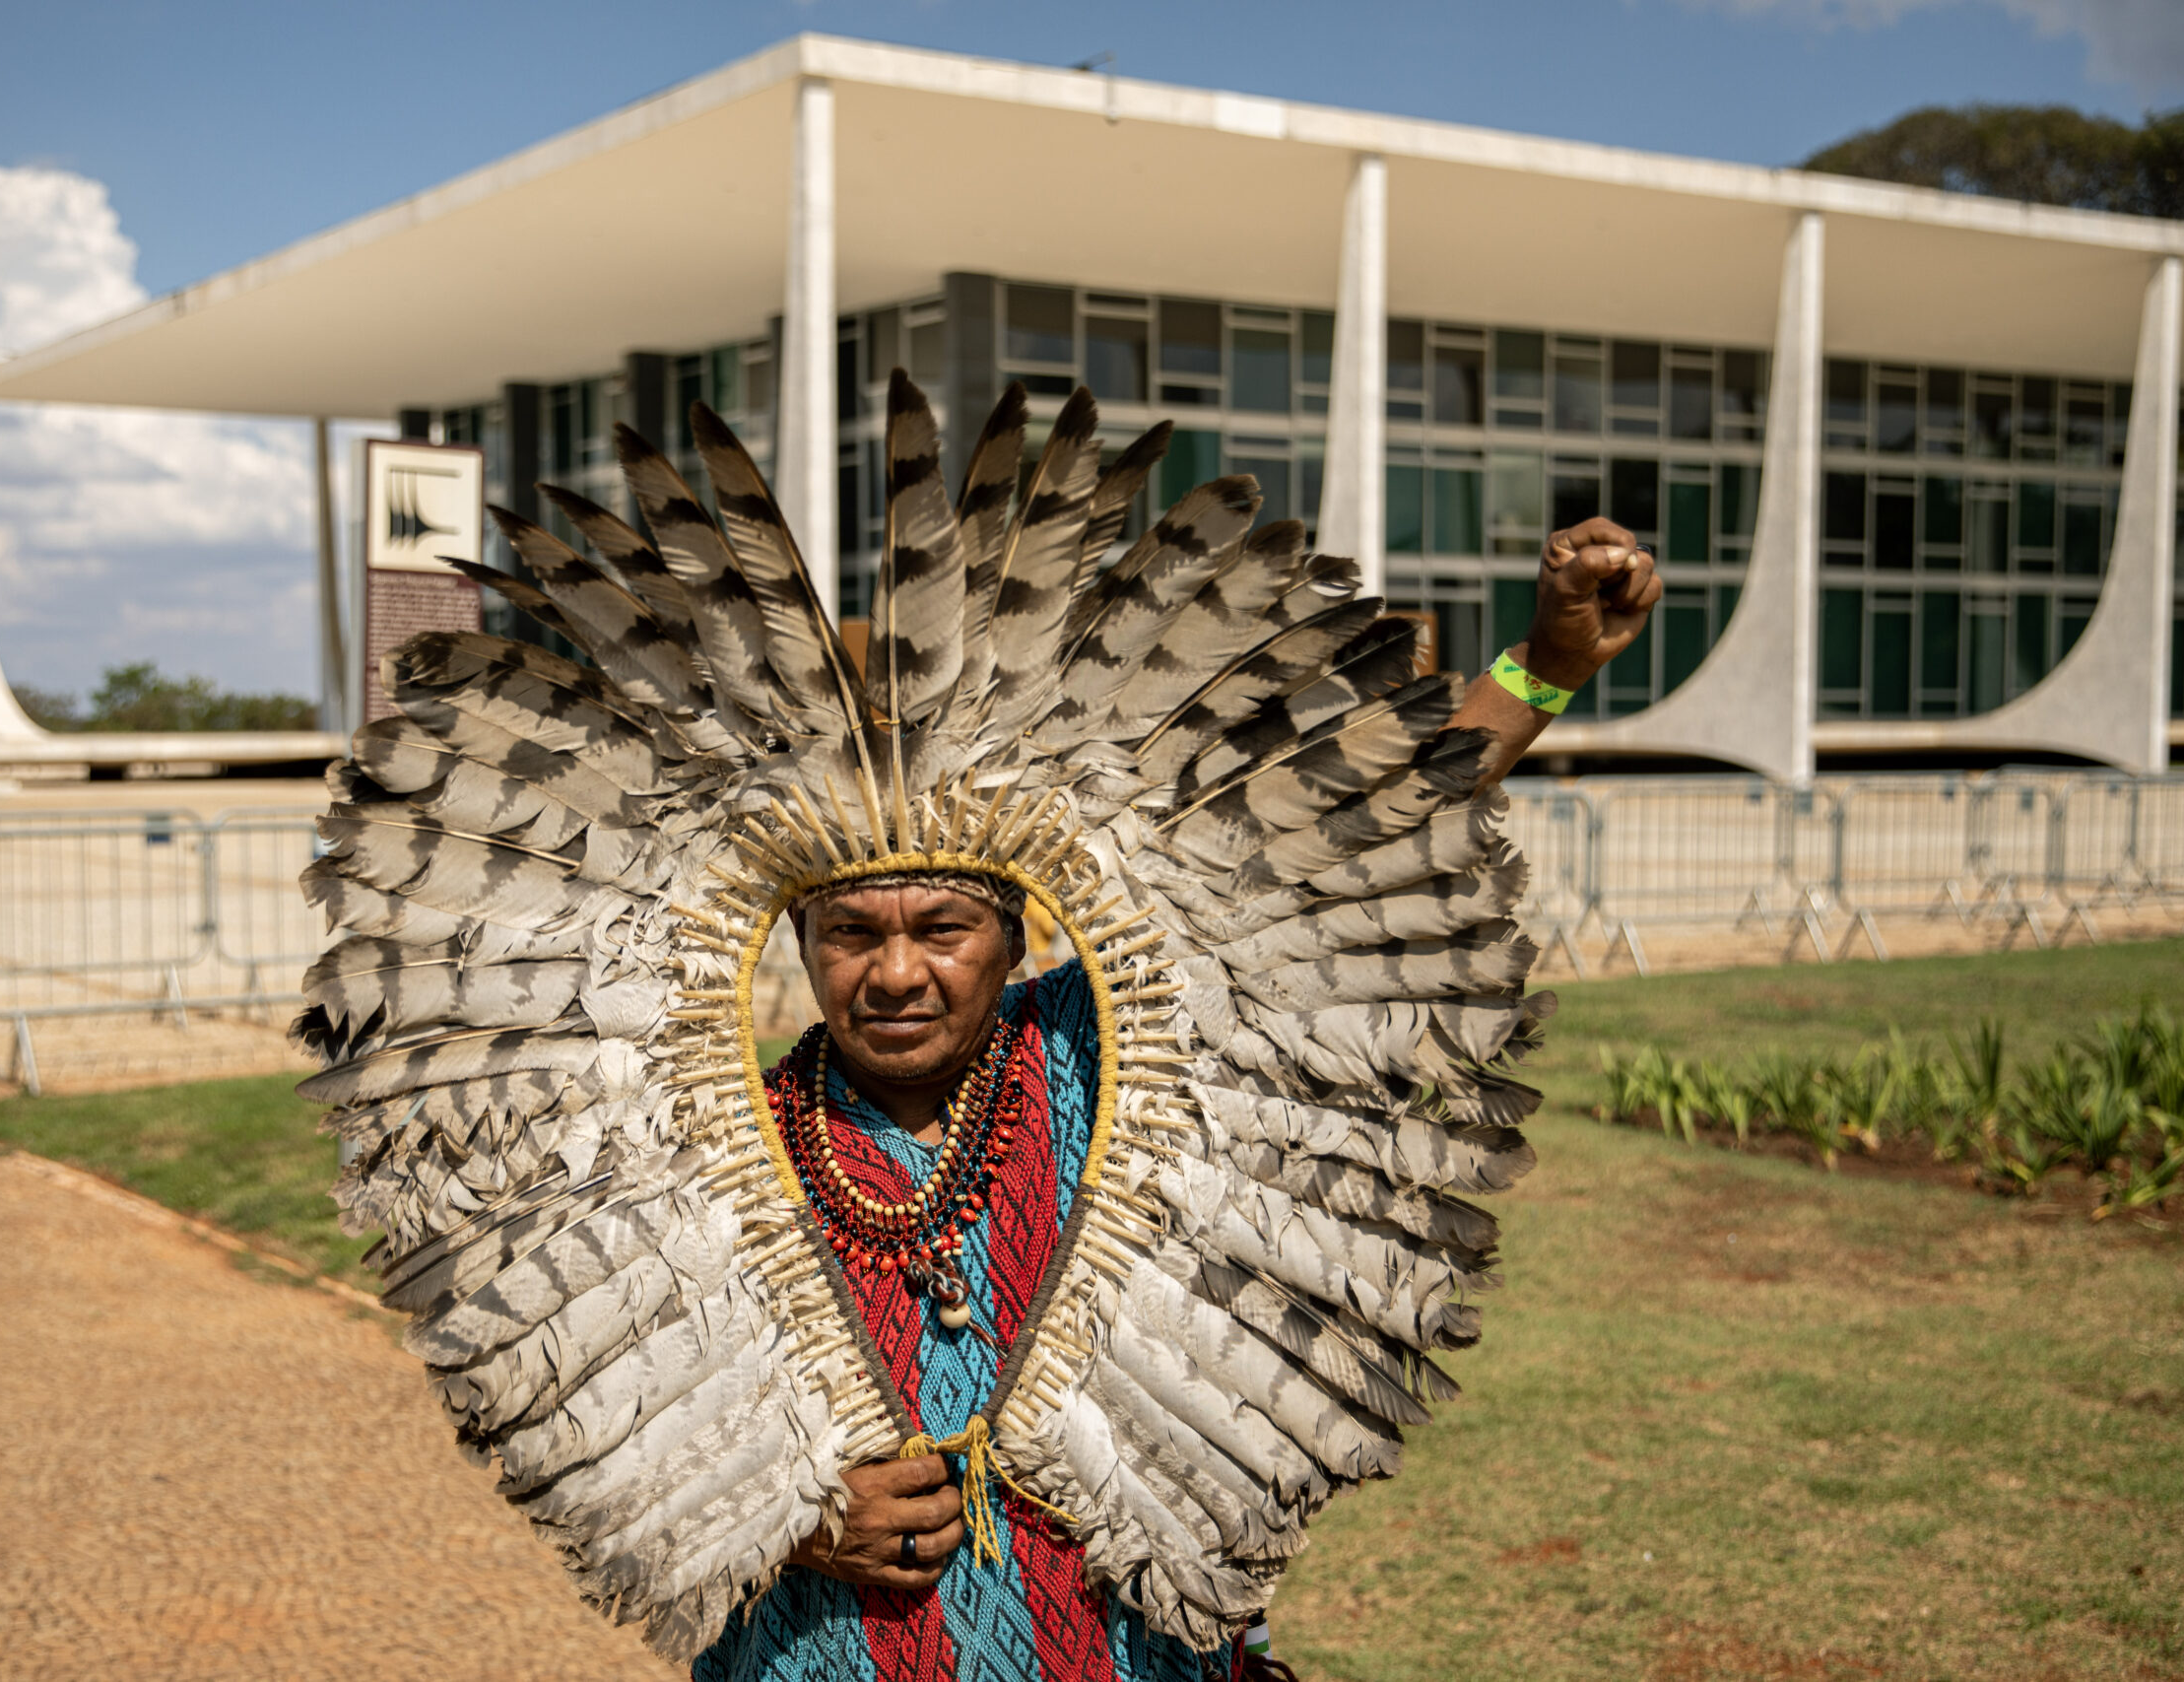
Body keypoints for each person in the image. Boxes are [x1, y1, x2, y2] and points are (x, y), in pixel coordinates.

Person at [692, 518, 1659, 1682]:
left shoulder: (1106, 1058)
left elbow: (1342, 859)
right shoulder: (713, 1146)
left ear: (1014, 940)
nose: (895, 974)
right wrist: (788, 1521)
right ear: (800, 943)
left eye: (942, 929)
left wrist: (1542, 666)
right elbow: (619, 1432)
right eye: (851, 934)